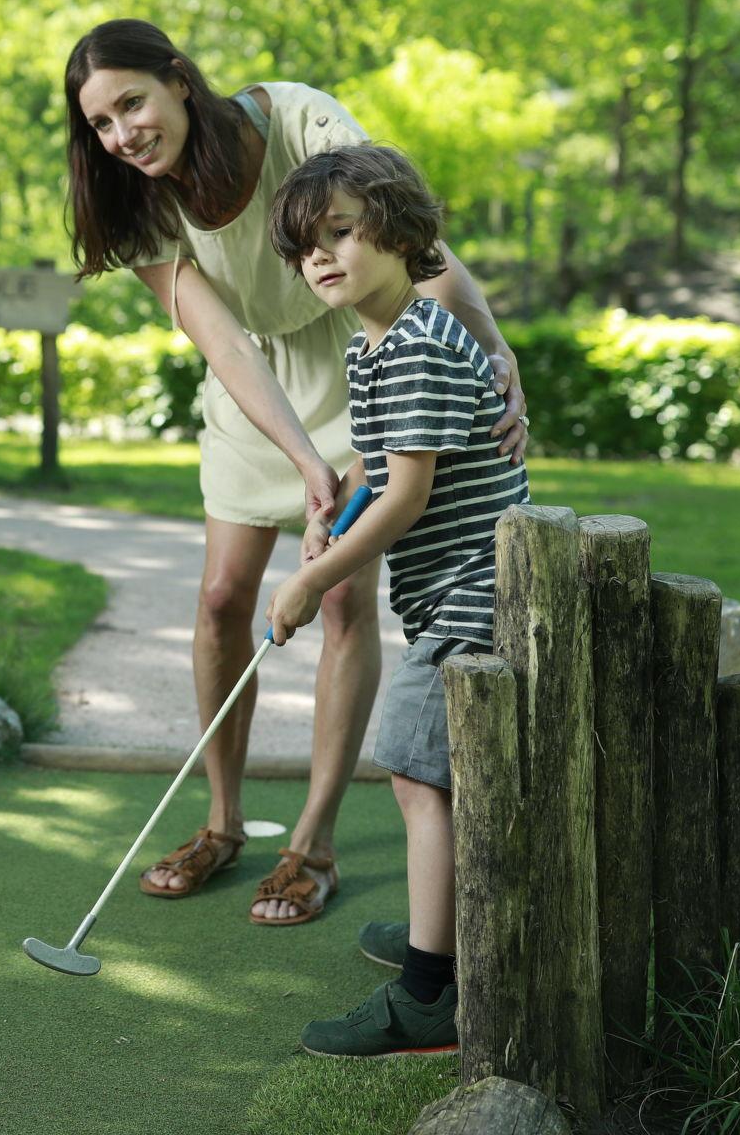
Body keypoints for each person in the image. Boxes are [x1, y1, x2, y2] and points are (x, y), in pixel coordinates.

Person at [64, 19, 527, 925]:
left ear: (179, 82)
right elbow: (224, 342)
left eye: (132, 103)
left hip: (360, 352)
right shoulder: (138, 200)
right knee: (220, 599)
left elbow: (401, 246)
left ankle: (312, 843)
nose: (123, 135)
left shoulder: (302, 122)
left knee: (344, 597)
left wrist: (491, 345)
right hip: (256, 395)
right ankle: (221, 821)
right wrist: (305, 460)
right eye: (101, 124)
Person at [262, 143, 530, 1054]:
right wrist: (333, 499)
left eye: (340, 231)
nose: (322, 257)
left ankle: (428, 994)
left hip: (473, 595)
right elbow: (383, 468)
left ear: (397, 229)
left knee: (418, 776)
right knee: (425, 775)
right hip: (452, 590)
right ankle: (440, 941)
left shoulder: (414, 342)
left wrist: (311, 580)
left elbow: (411, 497)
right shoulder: (377, 344)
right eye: (307, 247)